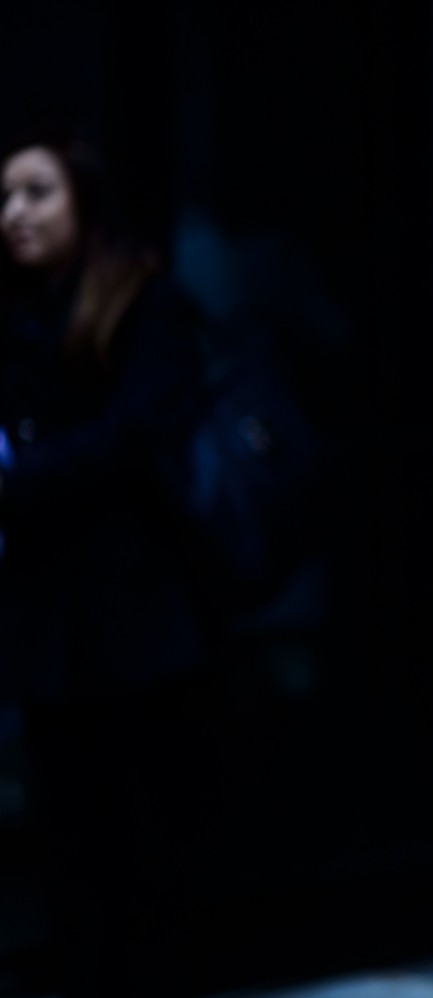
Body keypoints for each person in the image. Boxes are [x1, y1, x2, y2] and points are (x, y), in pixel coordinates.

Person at [0, 124, 219, 995]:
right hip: (50, 613)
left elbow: (134, 439)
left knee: (141, 827)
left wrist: (22, 478)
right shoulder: (19, 311)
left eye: (36, 192)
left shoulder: (147, 302)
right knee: (67, 828)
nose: (13, 213)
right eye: (6, 197)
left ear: (85, 201)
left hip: (135, 612)